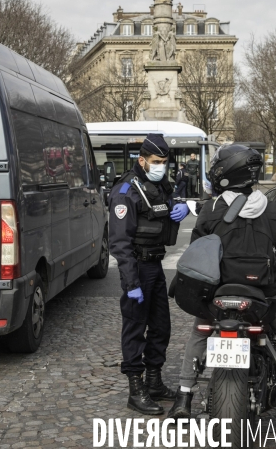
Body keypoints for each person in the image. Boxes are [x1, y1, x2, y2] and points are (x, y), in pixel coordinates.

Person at [168, 144, 276, 437]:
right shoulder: (274, 210)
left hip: (219, 294)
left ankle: (184, 396)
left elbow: (197, 253)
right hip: (263, 295)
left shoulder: (211, 210)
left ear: (226, 173)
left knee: (199, 331)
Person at [109, 134, 189, 415]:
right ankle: (136, 388)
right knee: (135, 328)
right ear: (141, 160)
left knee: (161, 326)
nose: (161, 167)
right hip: (137, 268)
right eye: (156, 162)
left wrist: (183, 206)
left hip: (155, 265)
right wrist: (131, 282)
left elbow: (163, 208)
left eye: (164, 162)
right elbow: (120, 243)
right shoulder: (125, 191)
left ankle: (154, 382)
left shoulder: (158, 185)